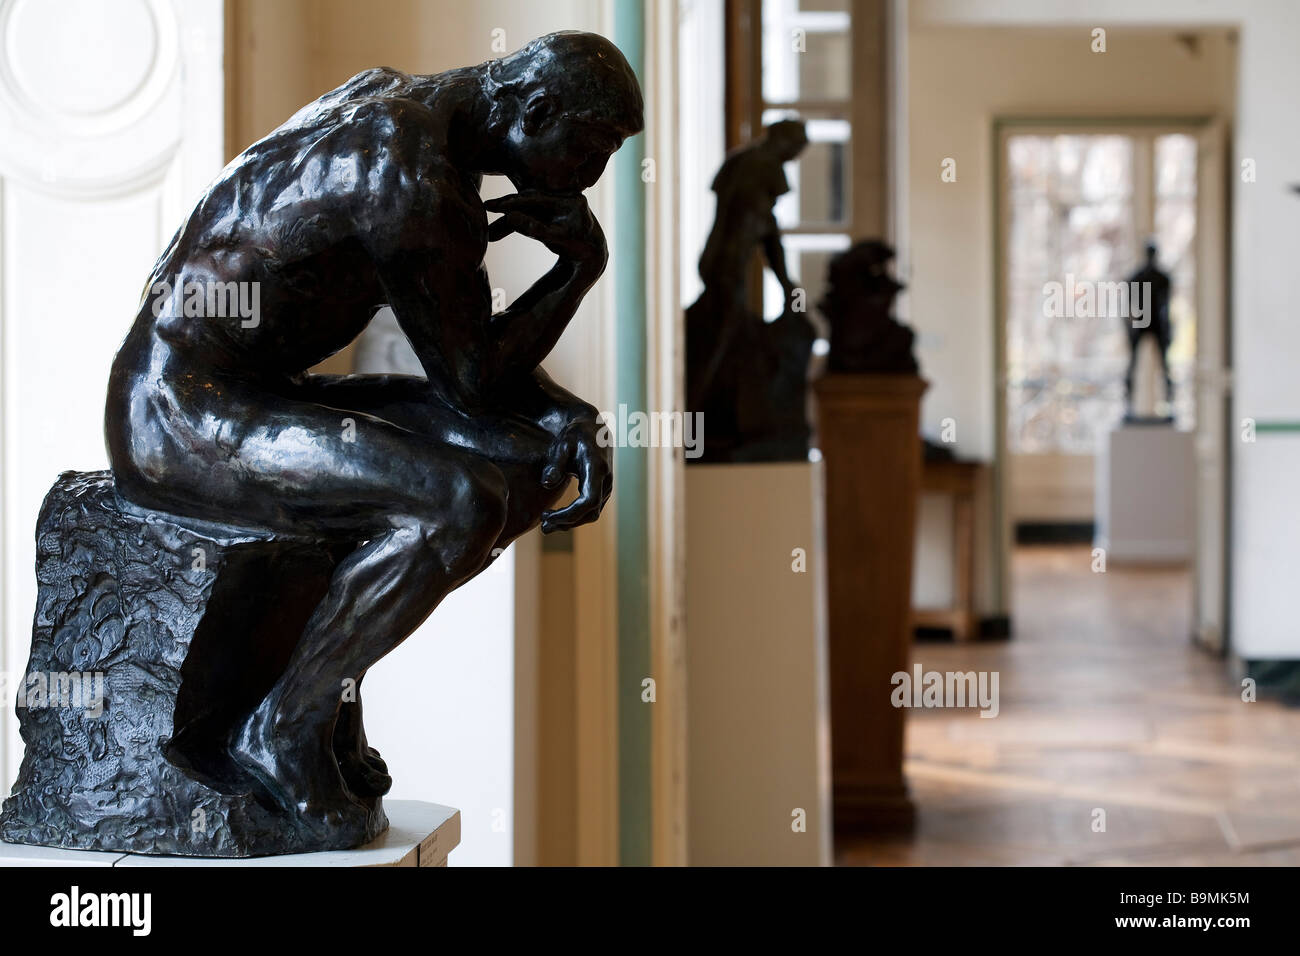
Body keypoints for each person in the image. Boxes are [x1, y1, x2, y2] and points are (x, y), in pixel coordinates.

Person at [104, 31, 642, 839]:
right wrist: (578, 268)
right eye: (591, 148)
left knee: (535, 459)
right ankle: (285, 724)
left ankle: (324, 689)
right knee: (456, 503)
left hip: (254, 393)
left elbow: (460, 347)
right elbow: (472, 381)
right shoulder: (412, 173)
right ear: (535, 109)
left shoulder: (398, 107)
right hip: (178, 410)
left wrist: (563, 413)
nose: (591, 177)